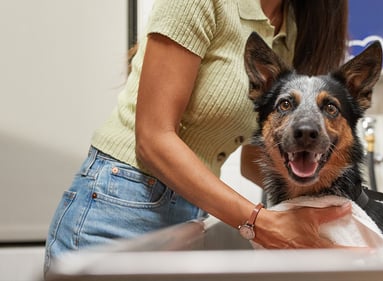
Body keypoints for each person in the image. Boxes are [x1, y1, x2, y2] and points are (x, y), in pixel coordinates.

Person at [44, 0, 350, 273]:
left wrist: (343, 201)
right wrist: (260, 222)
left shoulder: (295, 26)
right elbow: (152, 138)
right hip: (121, 201)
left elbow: (257, 158)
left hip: (192, 208)